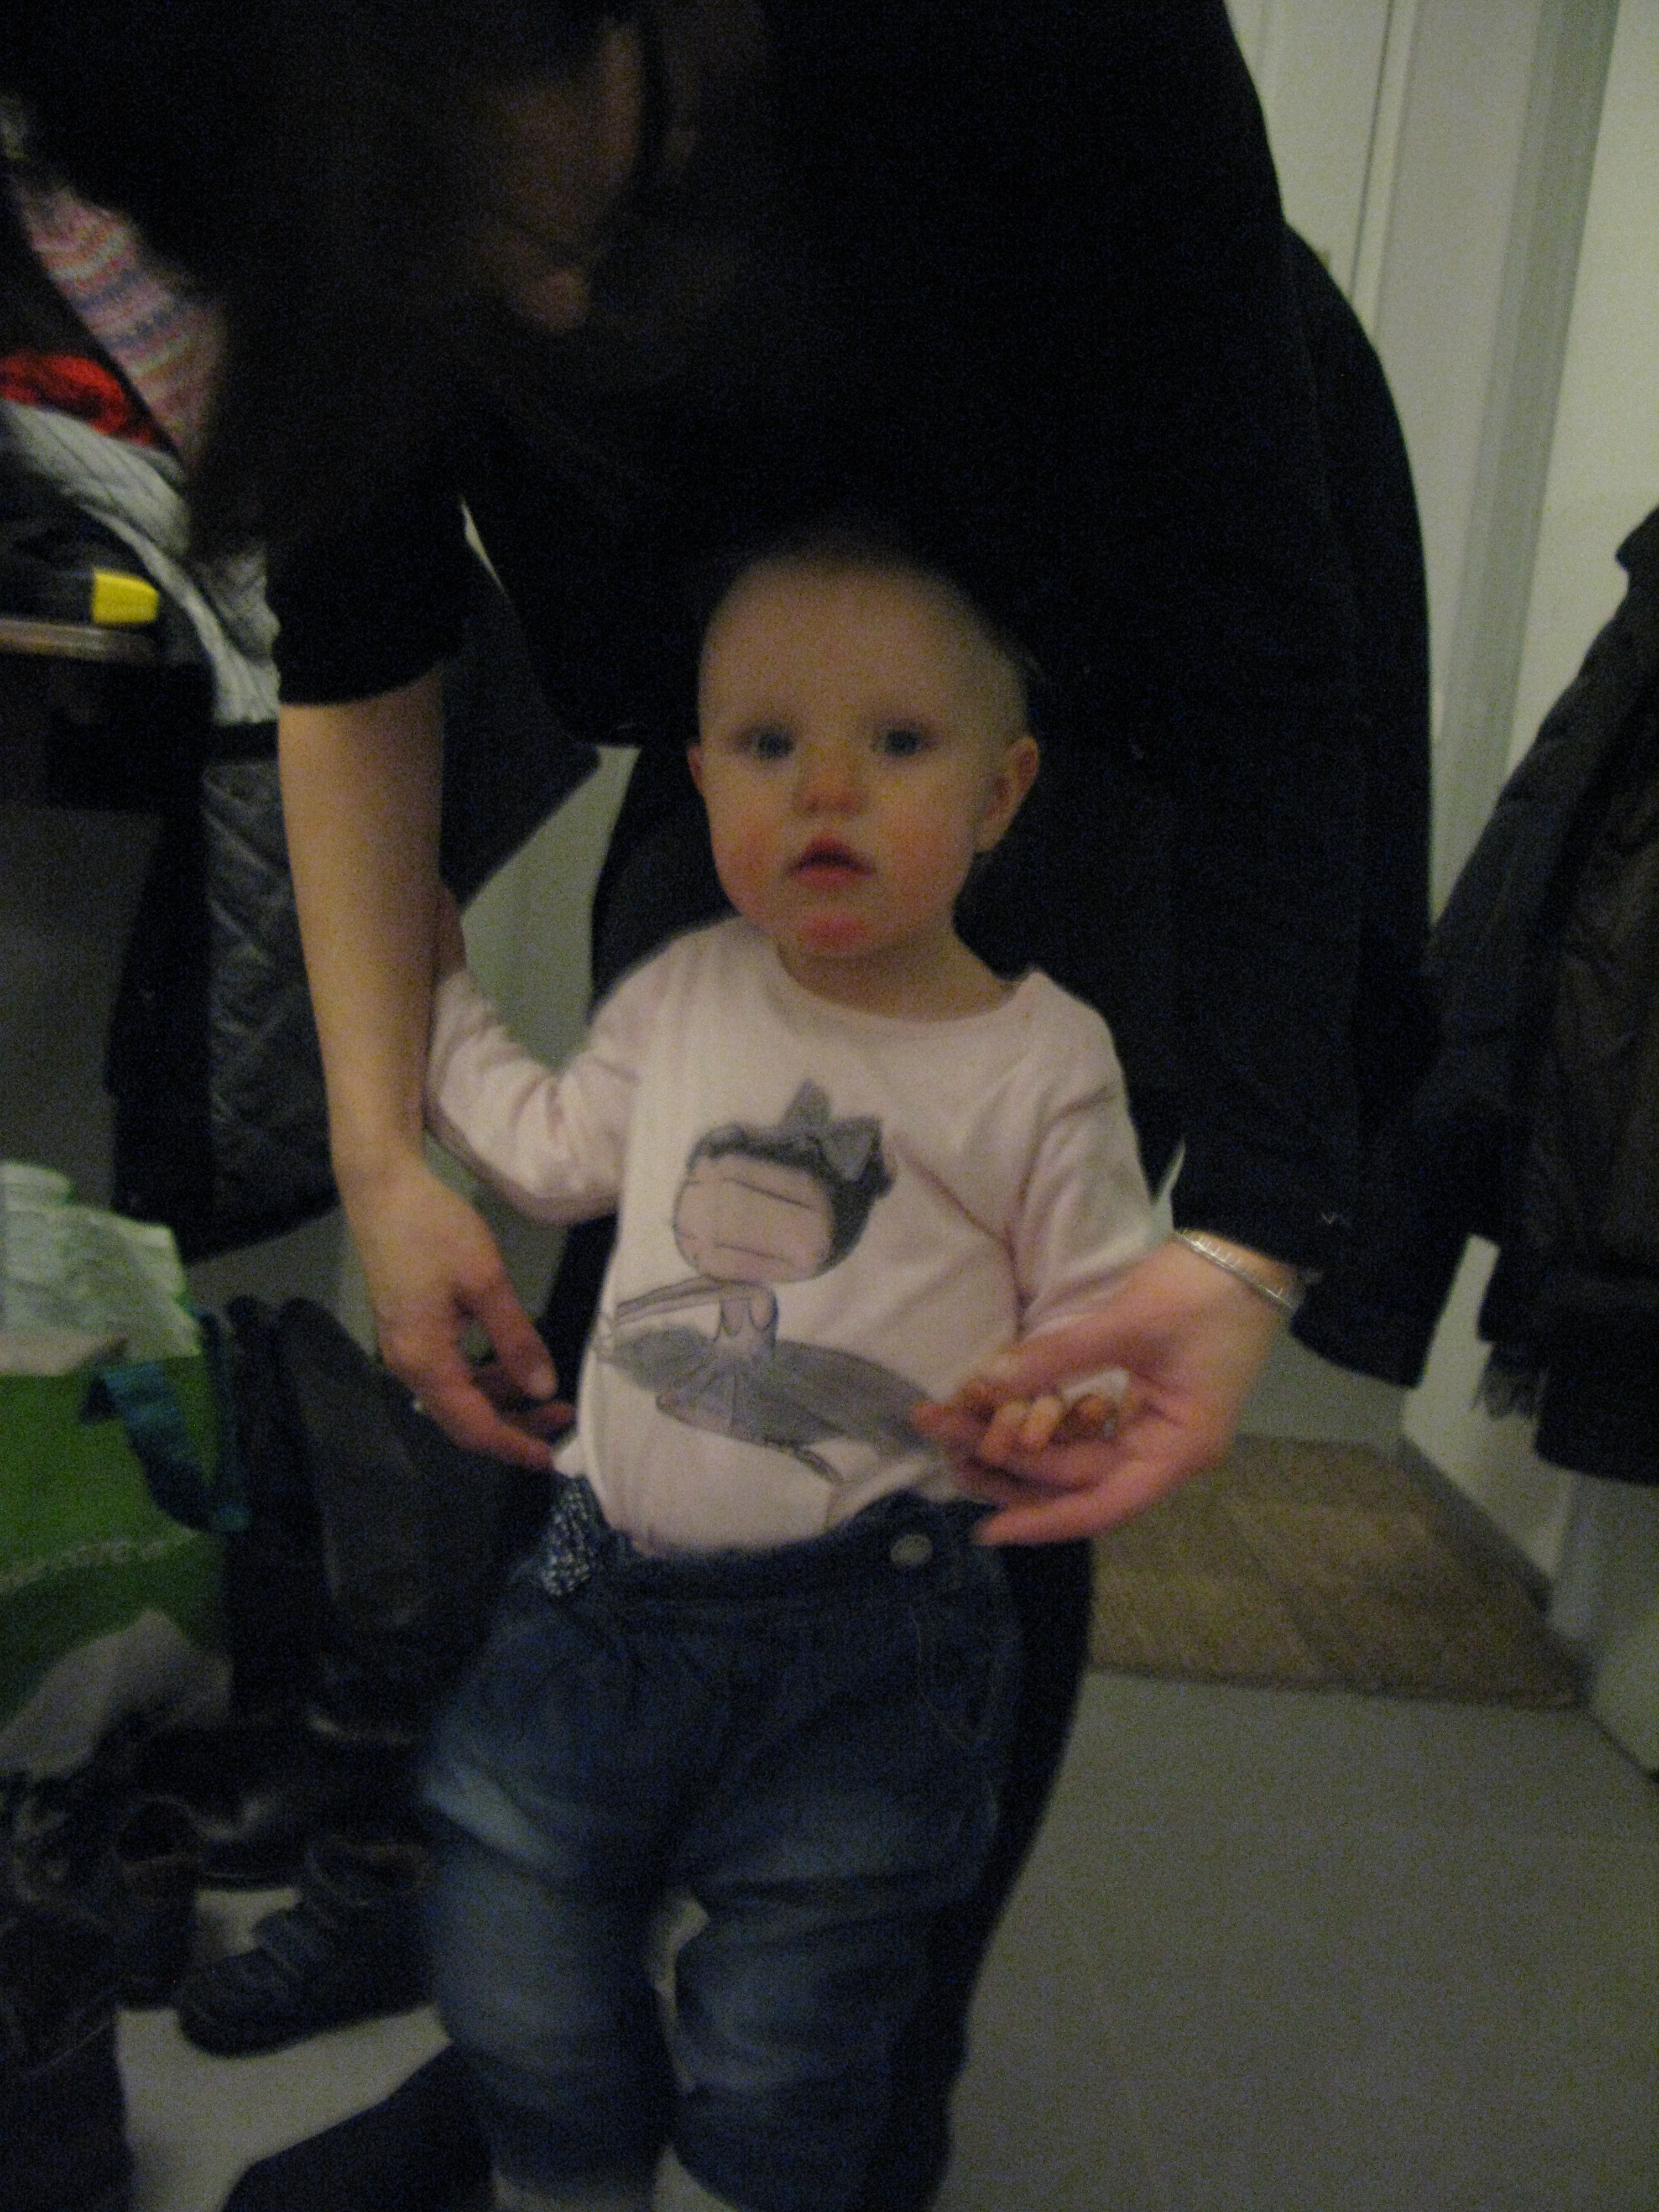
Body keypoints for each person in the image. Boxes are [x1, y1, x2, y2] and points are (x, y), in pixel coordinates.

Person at [1, 5, 1387, 2202]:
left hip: (1101, 641)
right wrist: (381, 1150)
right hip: (742, 671)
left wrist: (1251, 1232)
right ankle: (547, 2039)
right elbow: (362, 641)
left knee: (929, 1431)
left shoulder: (1042, 59)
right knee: (629, 1400)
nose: (525, 312)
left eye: (495, 203)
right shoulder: (322, 177)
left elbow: (1272, 665)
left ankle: (857, 2093)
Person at [418, 530, 1154, 2212]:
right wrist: (436, 995)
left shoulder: (1043, 1062)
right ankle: (564, 2169)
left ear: (1002, 790)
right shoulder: (686, 989)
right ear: (699, 781)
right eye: (766, 744)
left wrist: (1068, 1405)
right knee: (511, 1947)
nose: (826, 786)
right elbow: (550, 1153)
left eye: (897, 743)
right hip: (595, 1596)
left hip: (869, 1651)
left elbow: (1104, 1314)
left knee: (790, 2042)